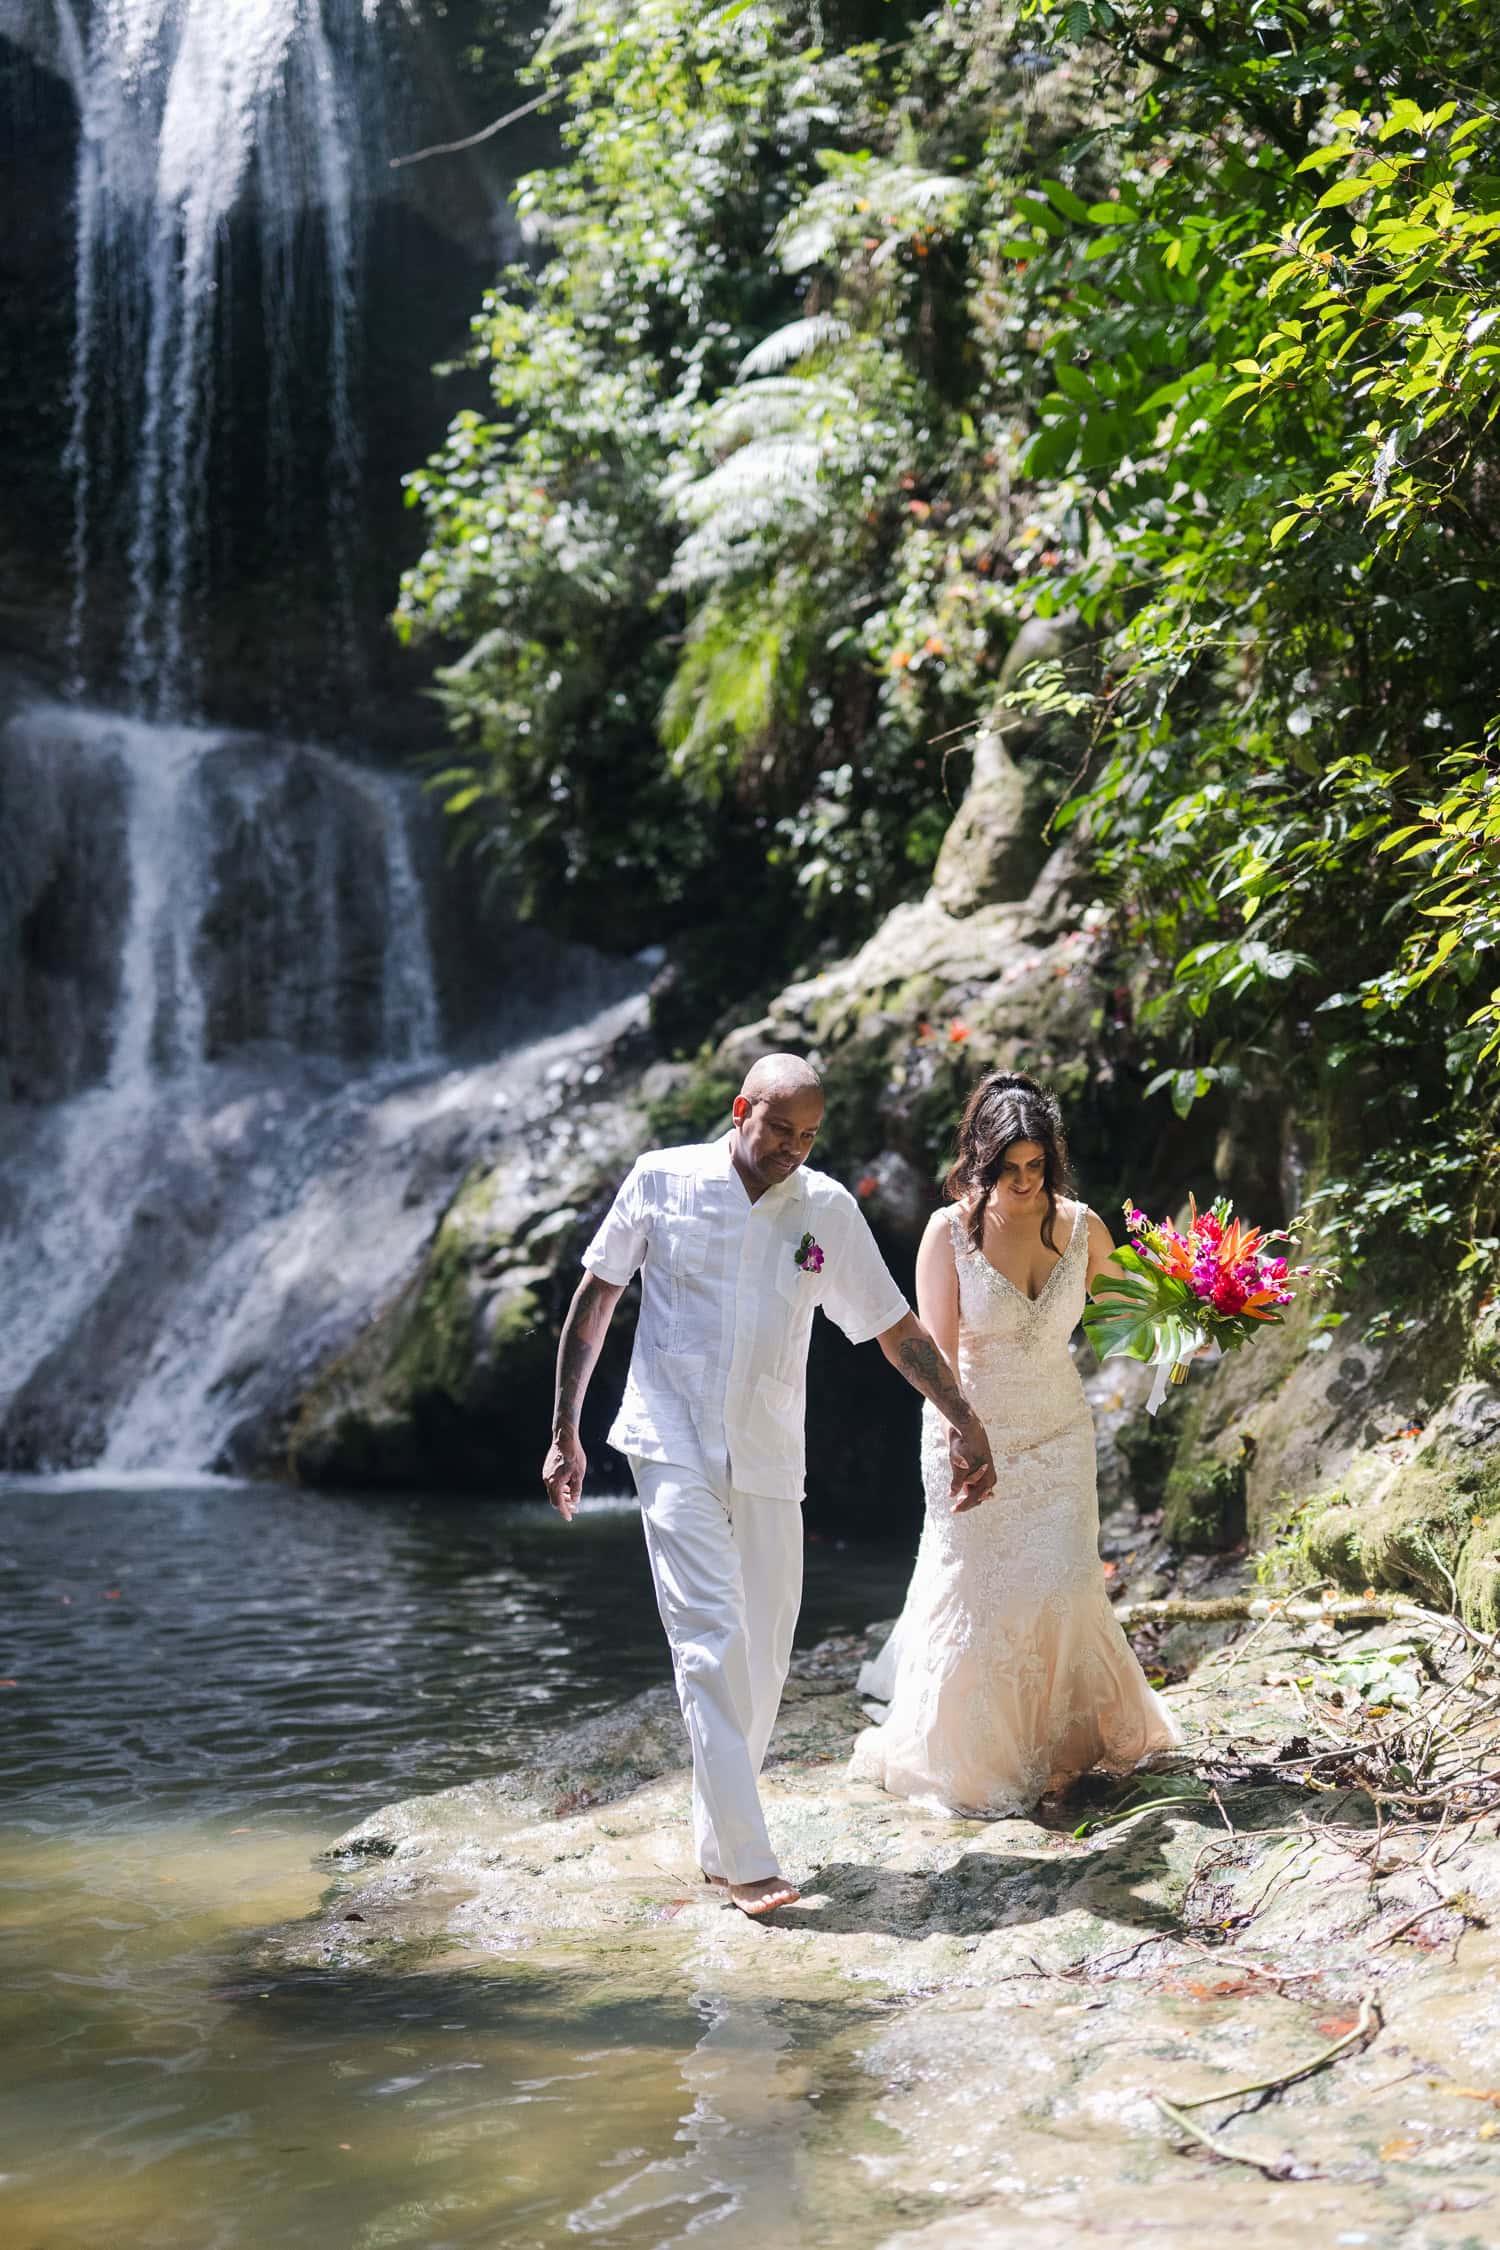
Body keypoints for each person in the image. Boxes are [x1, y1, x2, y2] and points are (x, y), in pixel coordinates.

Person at [542, 1054, 997, 1916]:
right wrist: (565, 1429)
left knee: (764, 1653)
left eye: (808, 1135)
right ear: (741, 1109)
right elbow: (596, 1296)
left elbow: (893, 1327)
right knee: (709, 1640)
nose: (792, 1147)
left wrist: (962, 1417)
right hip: (666, 1437)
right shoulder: (661, 1179)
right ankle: (751, 1863)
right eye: (779, 1129)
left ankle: (719, 1840)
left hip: (766, 1451)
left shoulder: (824, 1207)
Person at [850, 1070, 1182, 1816]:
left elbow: (1140, 1309)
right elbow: (931, 1352)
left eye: (1037, 1167)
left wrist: (1197, 1305)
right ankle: (975, 1757)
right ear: (980, 1159)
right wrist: (963, 1437)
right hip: (970, 1429)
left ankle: (1065, 1745)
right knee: (981, 1594)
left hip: (1060, 1431)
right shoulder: (948, 1232)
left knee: (1065, 1583)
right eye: (1010, 1169)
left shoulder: (1084, 1226)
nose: (1025, 1183)